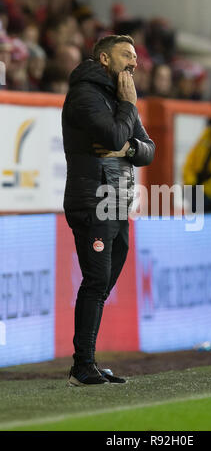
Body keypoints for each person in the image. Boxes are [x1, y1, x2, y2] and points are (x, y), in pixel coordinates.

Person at [62, 34, 155, 386]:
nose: (134, 62)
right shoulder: (85, 95)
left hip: (118, 202)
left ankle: (87, 363)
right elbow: (114, 137)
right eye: (126, 56)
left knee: (102, 283)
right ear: (104, 59)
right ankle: (81, 365)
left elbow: (148, 150)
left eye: (135, 57)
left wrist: (129, 146)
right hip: (93, 201)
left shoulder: (118, 98)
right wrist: (128, 110)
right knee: (96, 280)